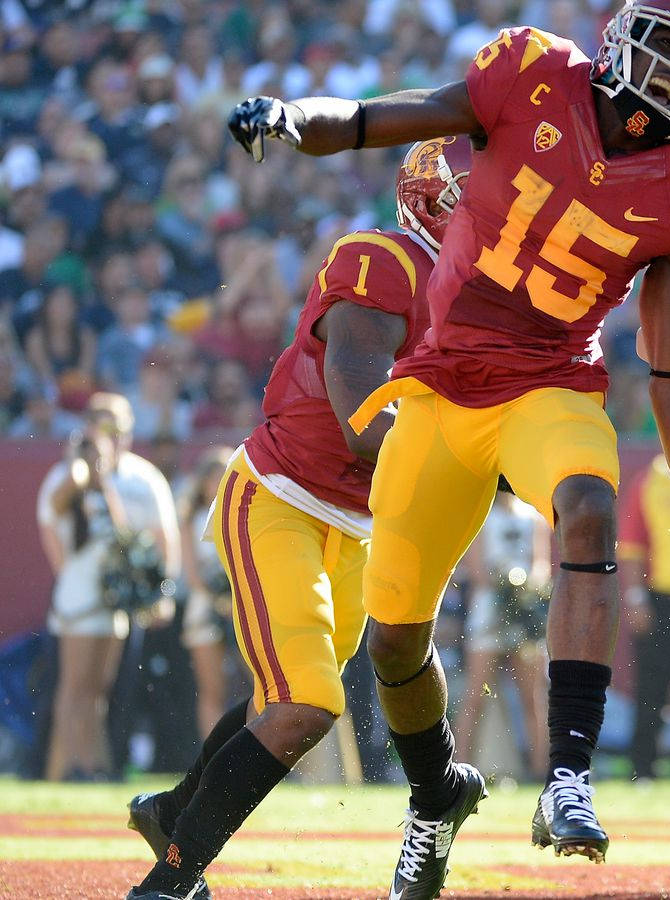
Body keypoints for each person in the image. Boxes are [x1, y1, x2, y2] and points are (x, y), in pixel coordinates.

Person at [224, 4, 670, 895]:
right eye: (661, 47)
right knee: (395, 641)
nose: (667, 75)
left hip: (551, 383)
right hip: (439, 391)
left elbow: (669, 365)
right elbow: (372, 120)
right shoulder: (533, 74)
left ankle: (569, 779)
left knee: (587, 506)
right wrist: (291, 116)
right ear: (625, 34)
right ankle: (433, 803)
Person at [122, 140, 466, 900]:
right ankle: (167, 883)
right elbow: (356, 407)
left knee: (279, 702)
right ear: (426, 196)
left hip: (355, 527)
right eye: (471, 194)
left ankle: (173, 812)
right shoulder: (384, 258)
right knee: (307, 704)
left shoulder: (486, 292)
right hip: (281, 495)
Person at [37, 391, 178, 783]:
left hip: (114, 598)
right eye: (99, 427)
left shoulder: (135, 478)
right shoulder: (70, 474)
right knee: (75, 687)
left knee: (98, 689)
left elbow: (135, 536)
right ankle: (75, 769)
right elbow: (53, 514)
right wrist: (86, 469)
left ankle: (93, 765)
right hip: (81, 594)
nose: (107, 436)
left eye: (114, 428)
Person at [452, 490, 553, 782]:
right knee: (476, 692)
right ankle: (457, 769)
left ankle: (539, 770)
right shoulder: (481, 515)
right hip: (488, 610)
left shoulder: (532, 516)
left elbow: (541, 565)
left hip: (525, 613)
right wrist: (503, 586)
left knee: (532, 696)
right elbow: (474, 568)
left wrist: (524, 590)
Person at [617, 453, 670, 781]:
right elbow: (632, 544)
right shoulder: (651, 478)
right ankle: (643, 767)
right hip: (662, 598)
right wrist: (635, 598)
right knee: (652, 685)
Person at [175, 447, 236, 741]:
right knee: (212, 688)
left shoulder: (243, 512)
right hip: (205, 607)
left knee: (258, 685)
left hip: (241, 604)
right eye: (213, 477)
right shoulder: (191, 518)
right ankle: (212, 756)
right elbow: (192, 573)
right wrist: (218, 598)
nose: (218, 483)